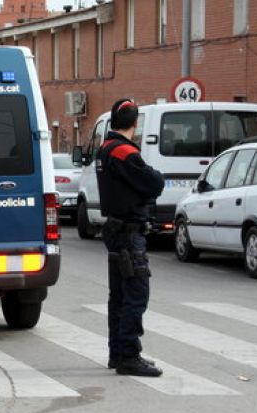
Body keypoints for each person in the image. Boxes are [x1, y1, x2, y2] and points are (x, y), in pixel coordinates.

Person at [96, 99, 165, 377]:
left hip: (114, 228)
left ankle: (117, 353)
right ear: (135, 124)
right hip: (128, 232)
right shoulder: (124, 152)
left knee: (120, 295)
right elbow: (154, 183)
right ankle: (129, 356)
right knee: (136, 293)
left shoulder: (104, 149)